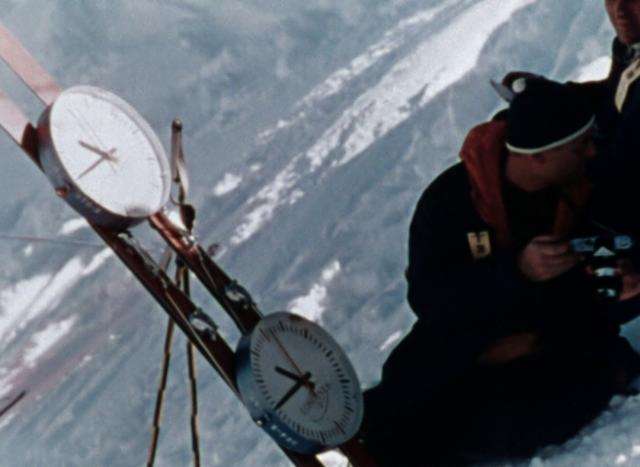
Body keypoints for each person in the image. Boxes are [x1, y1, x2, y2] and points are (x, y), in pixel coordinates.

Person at [360, 77, 640, 466]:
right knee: (412, 383)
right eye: (579, 147)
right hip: (471, 332)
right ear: (538, 157)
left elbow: (618, 248)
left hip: (560, 337)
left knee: (516, 419)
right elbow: (429, 297)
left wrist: (628, 279)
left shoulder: (588, 186)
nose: (592, 151)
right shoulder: (452, 200)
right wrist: (516, 272)